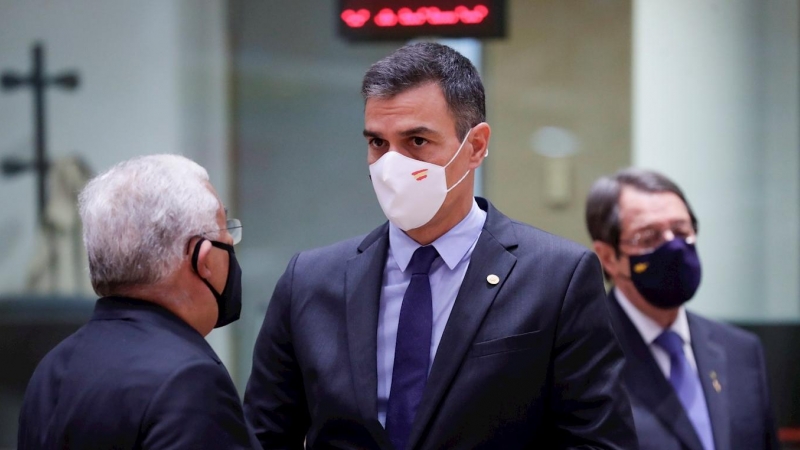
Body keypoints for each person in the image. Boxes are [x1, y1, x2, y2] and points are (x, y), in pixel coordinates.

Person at [244, 42, 636, 449]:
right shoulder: (308, 281)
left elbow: (599, 441)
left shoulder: (557, 278)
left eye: (416, 141)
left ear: (476, 147)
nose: (391, 166)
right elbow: (263, 437)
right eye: (378, 143)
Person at [18, 154, 258, 449]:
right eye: (226, 231)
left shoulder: (51, 369)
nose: (232, 244)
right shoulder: (189, 380)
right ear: (203, 258)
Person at [585, 168, 779, 450]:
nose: (673, 247)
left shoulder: (741, 350)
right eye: (648, 237)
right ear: (608, 258)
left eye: (681, 231)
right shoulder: (585, 356)